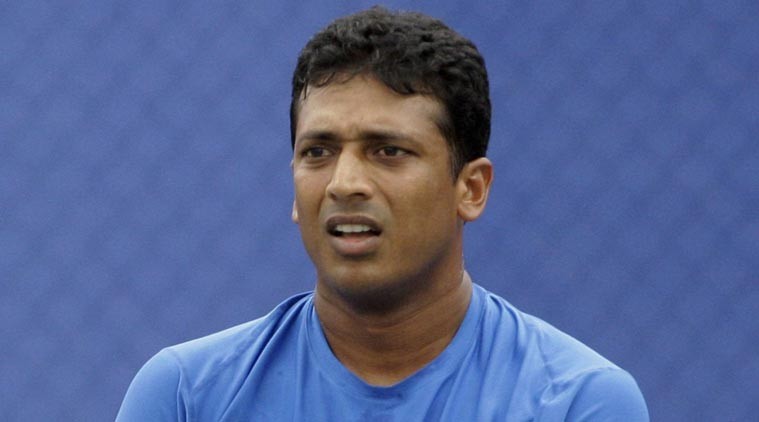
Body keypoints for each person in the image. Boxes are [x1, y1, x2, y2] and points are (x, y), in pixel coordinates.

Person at [117, 7, 648, 421]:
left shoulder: (577, 402)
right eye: (318, 152)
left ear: (471, 189)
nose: (344, 183)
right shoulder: (186, 396)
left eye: (388, 151)